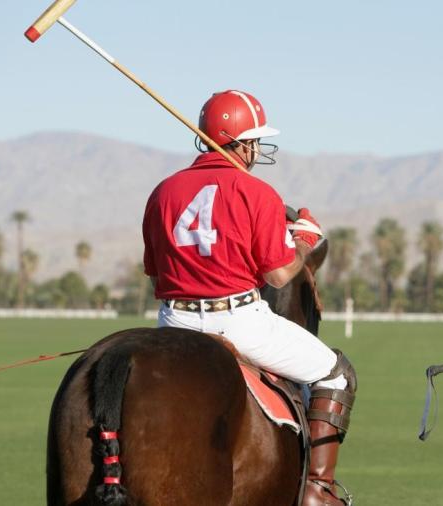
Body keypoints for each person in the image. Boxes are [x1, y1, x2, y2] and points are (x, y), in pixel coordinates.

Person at [142, 89, 355, 506]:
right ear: (243, 142)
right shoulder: (257, 192)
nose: (258, 147)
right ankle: (317, 491)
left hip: (172, 325)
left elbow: (154, 274)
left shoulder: (162, 192)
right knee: (337, 373)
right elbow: (278, 274)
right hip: (238, 323)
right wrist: (304, 243)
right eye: (255, 138)